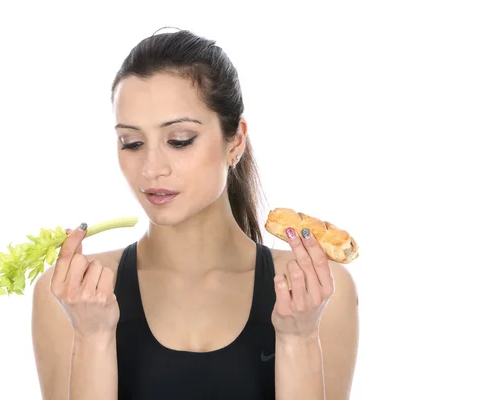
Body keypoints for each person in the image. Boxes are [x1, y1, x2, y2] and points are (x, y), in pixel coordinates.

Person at [31, 28, 359, 400]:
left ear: (235, 141)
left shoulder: (320, 293)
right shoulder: (68, 296)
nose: (152, 168)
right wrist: (92, 337)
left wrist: (299, 337)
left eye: (179, 140)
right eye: (132, 143)